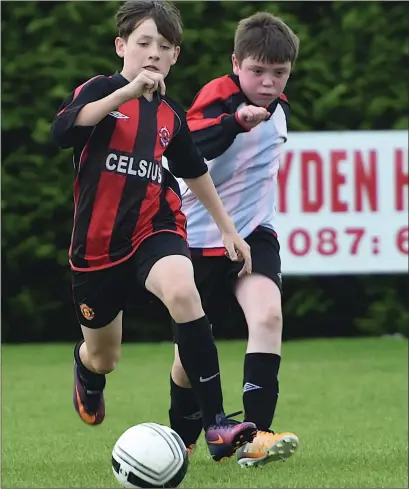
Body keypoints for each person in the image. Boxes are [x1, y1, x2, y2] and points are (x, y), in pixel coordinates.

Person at [50, 0, 258, 463]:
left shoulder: (171, 115)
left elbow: (193, 169)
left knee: (185, 292)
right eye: (143, 43)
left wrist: (229, 230)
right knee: (105, 356)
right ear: (122, 46)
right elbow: (64, 130)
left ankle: (217, 425)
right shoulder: (101, 89)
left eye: (164, 47)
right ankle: (87, 371)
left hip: (154, 231)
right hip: (97, 250)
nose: (153, 53)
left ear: (174, 57)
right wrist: (125, 94)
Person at [167, 11, 300, 467]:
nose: (266, 82)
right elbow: (189, 143)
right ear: (236, 63)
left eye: (278, 73)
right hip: (199, 240)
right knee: (189, 360)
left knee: (268, 315)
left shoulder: (280, 109)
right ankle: (180, 435)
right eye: (256, 71)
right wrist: (235, 122)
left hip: (254, 235)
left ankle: (257, 439)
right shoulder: (219, 96)